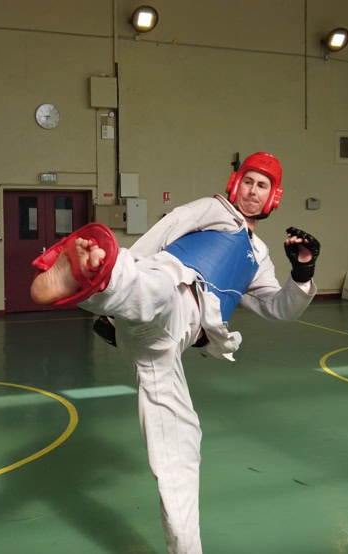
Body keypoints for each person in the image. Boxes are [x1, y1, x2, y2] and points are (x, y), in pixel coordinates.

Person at [30, 152, 319, 554]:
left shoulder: (260, 256)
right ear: (235, 183)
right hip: (174, 286)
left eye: (262, 186)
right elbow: (167, 229)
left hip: (167, 341)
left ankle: (186, 549)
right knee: (158, 291)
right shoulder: (214, 210)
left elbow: (278, 308)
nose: (253, 191)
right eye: (249, 182)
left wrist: (302, 272)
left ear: (274, 196)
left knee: (181, 445)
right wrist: (130, 264)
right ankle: (101, 273)